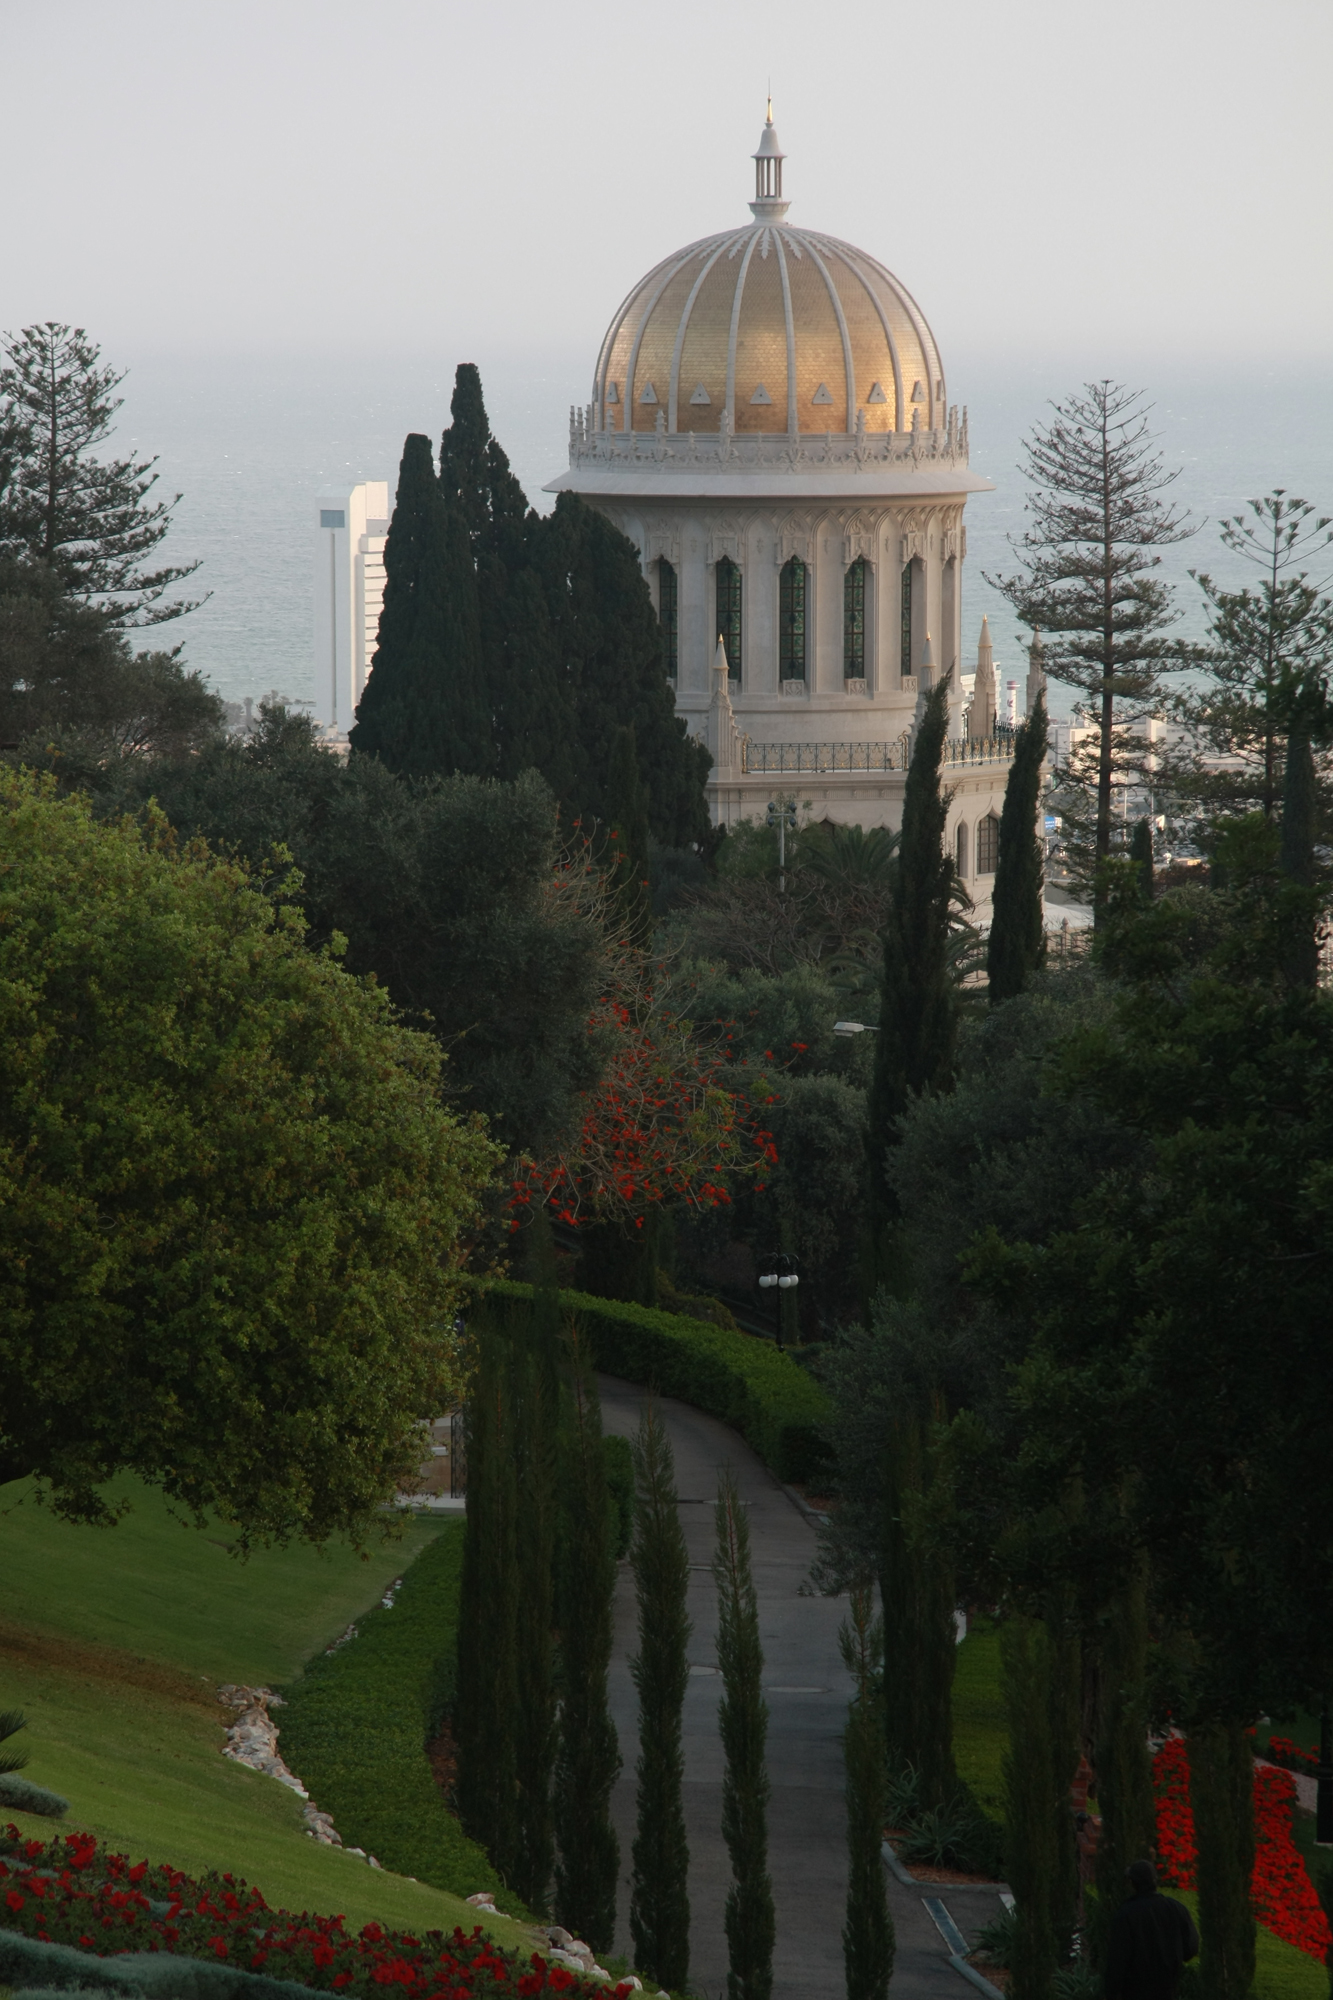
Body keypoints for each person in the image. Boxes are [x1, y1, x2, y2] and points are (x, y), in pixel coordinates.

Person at [1105, 1860, 1200, 2000]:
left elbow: (1117, 1960)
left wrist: (1111, 1993)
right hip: (1168, 1989)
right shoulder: (1176, 1908)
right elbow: (1191, 1948)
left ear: (1133, 1883)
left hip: (1135, 1991)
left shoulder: (1126, 1914)